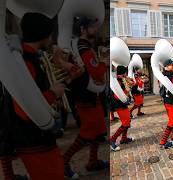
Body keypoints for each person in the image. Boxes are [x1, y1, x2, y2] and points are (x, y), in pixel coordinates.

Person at [0, 13, 67, 180]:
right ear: (44, 34)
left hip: (36, 134)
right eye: (50, 33)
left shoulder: (28, 56)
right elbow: (24, 106)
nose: (52, 37)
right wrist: (53, 93)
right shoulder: (26, 60)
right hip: (32, 135)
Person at [62, 17, 108, 179]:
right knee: (88, 132)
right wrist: (104, 62)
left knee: (99, 129)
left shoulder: (82, 46)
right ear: (82, 29)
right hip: (85, 94)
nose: (96, 30)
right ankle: (64, 161)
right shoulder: (83, 47)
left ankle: (93, 160)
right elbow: (96, 72)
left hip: (89, 93)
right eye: (93, 27)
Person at [110, 66, 134, 151]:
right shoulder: (117, 81)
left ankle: (124, 139)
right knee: (126, 123)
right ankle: (112, 139)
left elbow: (132, 84)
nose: (126, 74)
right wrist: (127, 90)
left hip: (122, 104)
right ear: (123, 73)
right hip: (119, 104)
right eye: (125, 72)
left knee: (128, 121)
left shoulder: (121, 79)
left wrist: (130, 83)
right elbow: (117, 95)